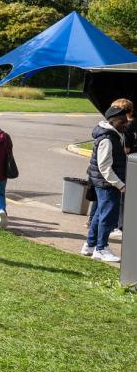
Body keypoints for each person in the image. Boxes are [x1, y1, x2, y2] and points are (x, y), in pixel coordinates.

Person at [83, 104, 128, 263]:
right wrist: (120, 185)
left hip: (103, 183)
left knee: (98, 215)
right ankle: (101, 248)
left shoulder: (113, 135)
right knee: (108, 217)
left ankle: (90, 245)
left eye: (126, 121)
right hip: (108, 185)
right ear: (112, 121)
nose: (125, 124)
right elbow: (104, 167)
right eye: (122, 121)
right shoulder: (108, 139)